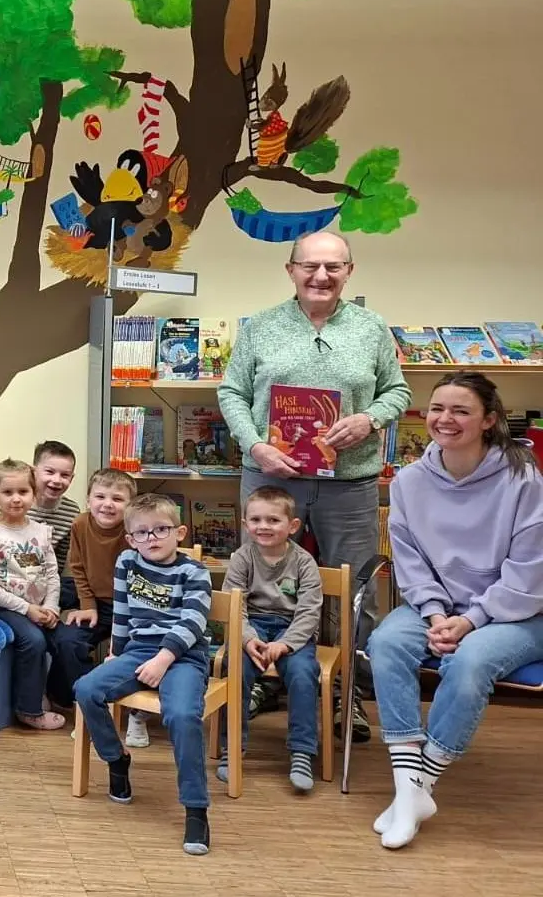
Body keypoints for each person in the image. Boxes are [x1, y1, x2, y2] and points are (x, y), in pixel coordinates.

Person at [218, 231, 410, 740]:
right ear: (290, 269)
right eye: (310, 266)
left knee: (352, 593)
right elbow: (232, 392)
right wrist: (255, 445)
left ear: (350, 270)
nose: (320, 276)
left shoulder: (371, 329)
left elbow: (398, 391)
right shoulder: (260, 327)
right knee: (259, 585)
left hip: (349, 484)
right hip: (271, 480)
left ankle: (349, 692)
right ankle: (261, 677)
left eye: (333, 267)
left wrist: (369, 418)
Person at [366, 371, 543, 850]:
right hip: (436, 609)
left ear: (488, 420)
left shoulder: (523, 477)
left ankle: (419, 785)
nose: (445, 419)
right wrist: (436, 614)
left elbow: (529, 572)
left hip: (515, 611)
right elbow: (410, 562)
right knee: (384, 642)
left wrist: (470, 621)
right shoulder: (410, 482)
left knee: (468, 661)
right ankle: (411, 790)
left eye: (461, 410)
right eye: (438, 408)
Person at [73, 493, 215, 856]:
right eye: (141, 533)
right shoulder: (127, 562)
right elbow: (121, 616)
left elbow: (194, 622)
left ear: (179, 532)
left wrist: (164, 659)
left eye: (161, 530)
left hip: (183, 655)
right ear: (130, 538)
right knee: (86, 689)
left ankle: (196, 809)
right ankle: (117, 761)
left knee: (182, 716)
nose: (151, 538)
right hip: (137, 652)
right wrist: (114, 655)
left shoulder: (193, 571)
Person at [218, 485, 323, 792]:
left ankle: (302, 751)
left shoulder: (304, 562)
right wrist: (247, 639)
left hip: (292, 631)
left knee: (304, 675)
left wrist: (286, 644)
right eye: (256, 520)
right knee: (234, 671)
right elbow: (232, 604)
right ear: (245, 523)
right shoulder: (242, 557)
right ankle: (232, 748)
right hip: (251, 627)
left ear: (292, 525)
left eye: (273, 520)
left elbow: (309, 611)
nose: (263, 526)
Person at [0, 459, 66, 730]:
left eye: (23, 492)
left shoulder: (41, 531)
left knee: (65, 640)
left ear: (34, 494)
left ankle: (49, 694)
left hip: (39, 605)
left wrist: (52, 607)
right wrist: (27, 609)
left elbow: (51, 574)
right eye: (7, 492)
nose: (16, 499)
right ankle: (29, 710)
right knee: (33, 640)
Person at [51, 467, 136, 718]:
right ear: (88, 499)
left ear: (131, 505)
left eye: (118, 499)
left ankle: (131, 711)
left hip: (130, 607)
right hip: (95, 603)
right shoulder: (80, 524)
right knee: (67, 641)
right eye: (100, 497)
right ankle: (84, 704)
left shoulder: (135, 530)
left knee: (131, 649)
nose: (107, 505)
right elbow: (77, 567)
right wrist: (87, 605)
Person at [28, 440, 81, 613]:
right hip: (13, 575)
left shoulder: (72, 511)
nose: (56, 480)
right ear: (33, 472)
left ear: (71, 479)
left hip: (47, 578)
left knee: (74, 589)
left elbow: (60, 559)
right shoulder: (16, 503)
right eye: (49, 472)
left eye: (64, 475)